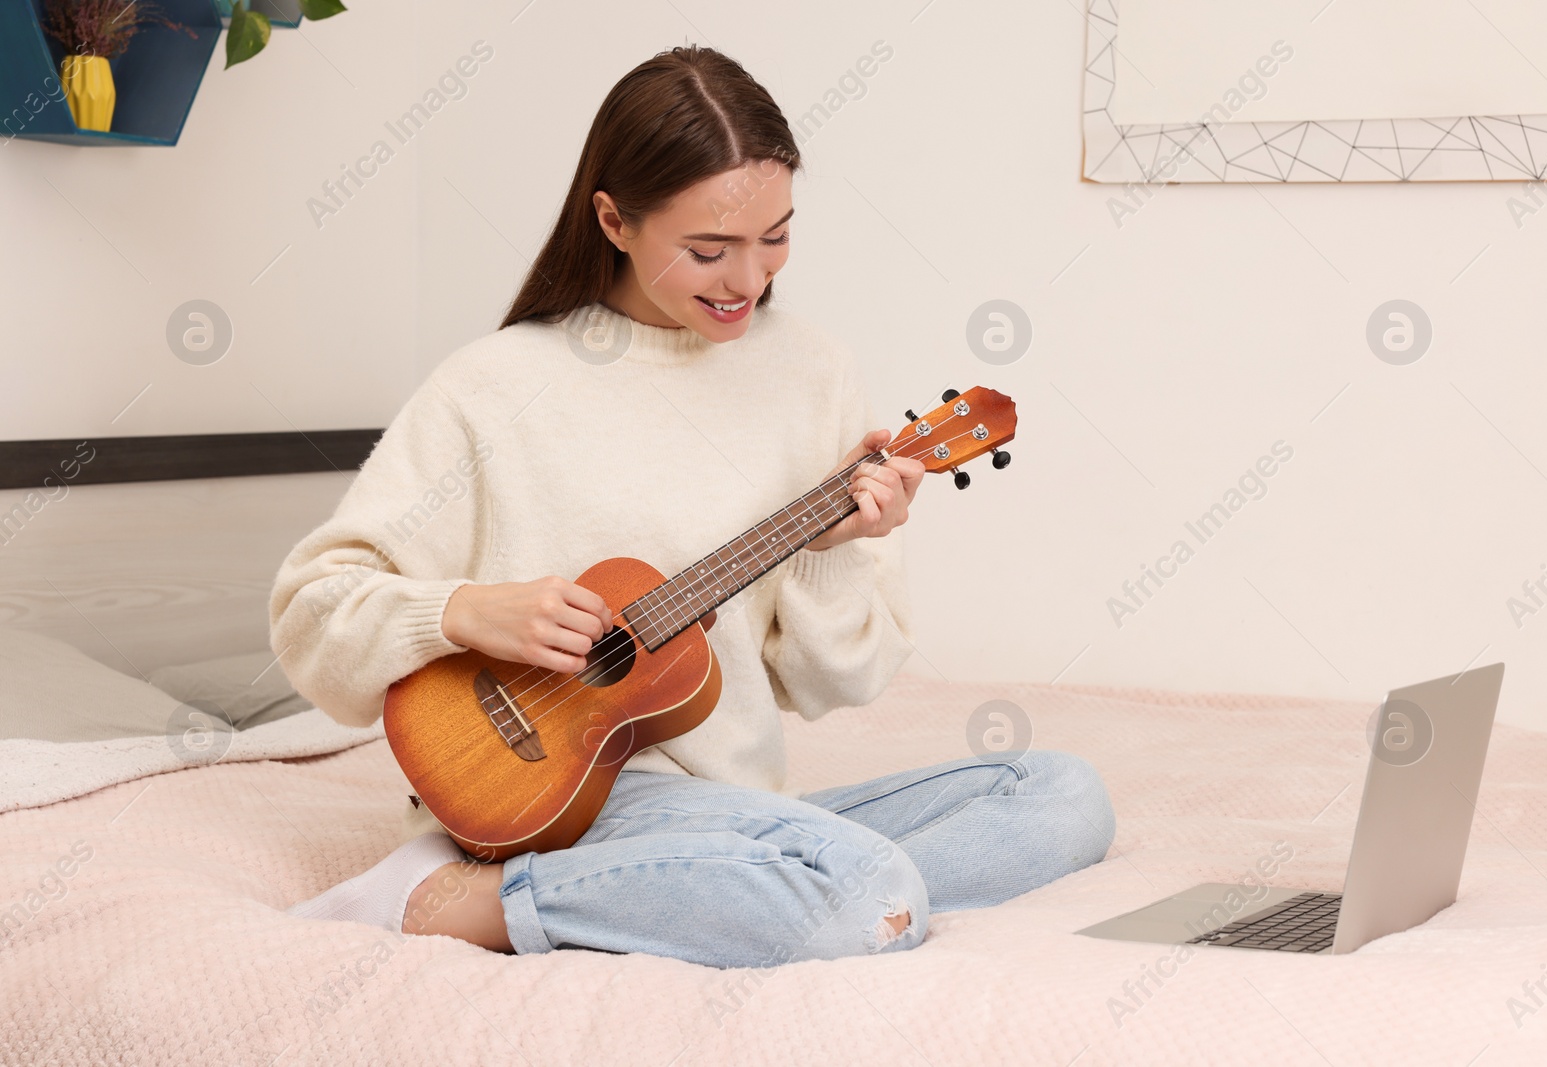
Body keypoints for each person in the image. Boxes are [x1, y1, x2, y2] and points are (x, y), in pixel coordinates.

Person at [270, 43, 1115, 970]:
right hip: (562, 797)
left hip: (738, 805)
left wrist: (836, 549)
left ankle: (739, 888)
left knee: (1060, 792)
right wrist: (468, 610)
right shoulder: (492, 385)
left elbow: (841, 683)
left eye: (776, 237)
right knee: (867, 890)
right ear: (613, 220)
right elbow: (314, 617)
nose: (748, 281)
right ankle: (458, 899)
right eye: (709, 250)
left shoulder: (813, 372)